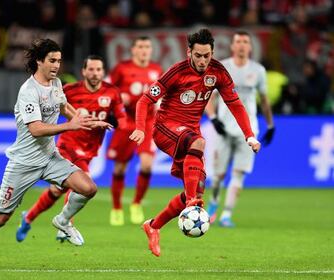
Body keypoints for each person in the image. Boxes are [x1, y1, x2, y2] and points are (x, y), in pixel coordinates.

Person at [0, 39, 111, 268]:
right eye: (52, 60)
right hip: (24, 162)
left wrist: (90, 122)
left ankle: (63, 220)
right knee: (0, 218)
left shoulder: (57, 83)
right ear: (39, 61)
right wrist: (69, 127)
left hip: (50, 158)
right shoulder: (28, 91)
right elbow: (36, 129)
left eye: (59, 61)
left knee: (88, 188)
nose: (56, 65)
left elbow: (65, 108)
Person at [129, 29, 261, 257]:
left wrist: (249, 134)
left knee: (197, 187)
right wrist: (140, 128)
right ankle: (192, 202)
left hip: (190, 132)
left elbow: (235, 104)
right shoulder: (176, 72)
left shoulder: (218, 72)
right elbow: (144, 100)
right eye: (198, 55)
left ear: (212, 53)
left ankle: (154, 225)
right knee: (198, 144)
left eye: (206, 56)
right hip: (165, 129)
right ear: (189, 51)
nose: (202, 61)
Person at [16, 55, 127, 244]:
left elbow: (122, 119)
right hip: (68, 144)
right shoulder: (70, 91)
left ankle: (28, 217)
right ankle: (65, 224)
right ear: (83, 71)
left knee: (57, 190)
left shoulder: (112, 93)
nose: (94, 73)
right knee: (83, 182)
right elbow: (52, 108)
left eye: (98, 69)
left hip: (90, 149)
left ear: (103, 72)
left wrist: (127, 130)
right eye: (90, 69)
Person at [205, 31, 275, 228]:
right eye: (238, 42)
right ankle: (214, 203)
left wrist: (270, 125)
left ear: (250, 47)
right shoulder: (223, 68)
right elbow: (210, 97)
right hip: (224, 130)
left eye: (246, 42)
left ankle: (226, 215)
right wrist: (213, 118)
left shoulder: (258, 70)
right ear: (232, 46)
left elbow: (264, 100)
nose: (242, 45)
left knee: (238, 173)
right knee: (218, 176)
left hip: (249, 132)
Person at [107, 36, 163, 226]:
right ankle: (116, 207)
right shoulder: (122, 69)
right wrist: (120, 100)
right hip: (126, 122)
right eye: (140, 46)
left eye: (147, 46)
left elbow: (163, 95)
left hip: (148, 123)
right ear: (133, 50)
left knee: (147, 165)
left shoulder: (157, 70)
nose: (144, 50)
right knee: (120, 167)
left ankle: (136, 203)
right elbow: (108, 91)